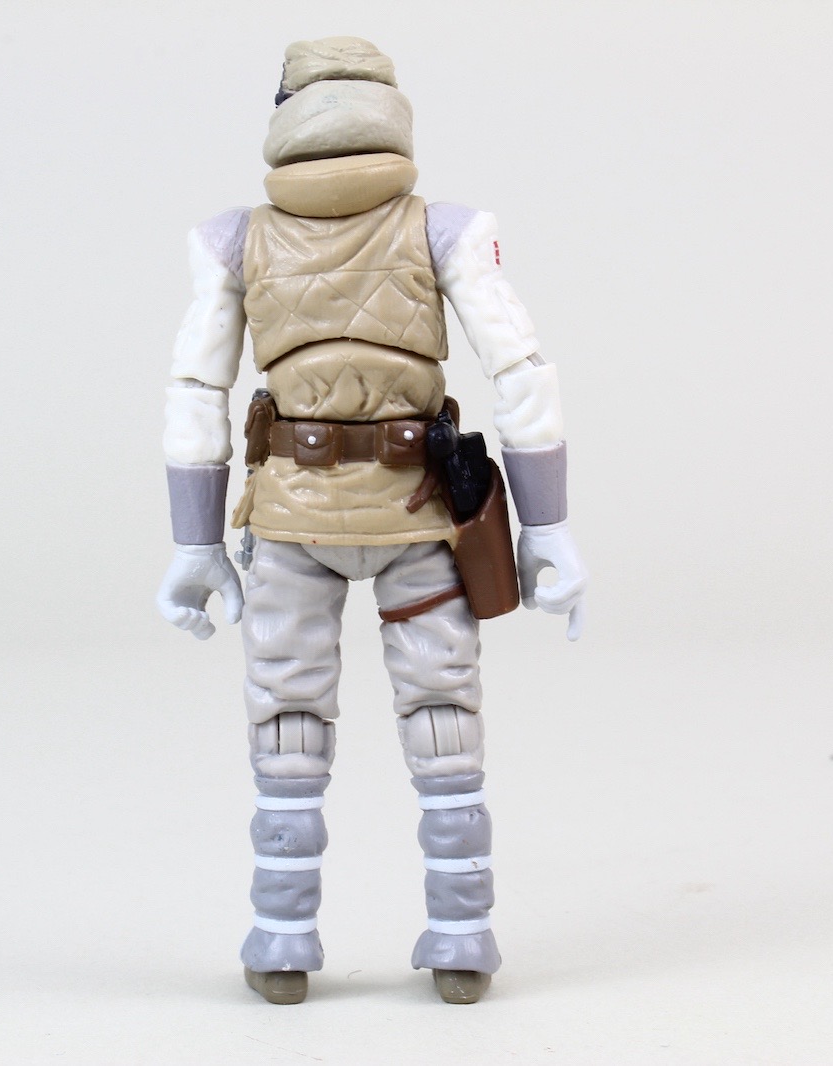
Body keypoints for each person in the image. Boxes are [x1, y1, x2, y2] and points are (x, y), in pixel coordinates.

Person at [157, 37, 586, 1005]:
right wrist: (546, 526)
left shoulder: (231, 241)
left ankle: (281, 936)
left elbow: (195, 393)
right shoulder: (448, 231)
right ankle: (463, 934)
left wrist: (193, 542)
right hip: (414, 513)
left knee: (287, 719)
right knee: (443, 718)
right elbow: (522, 377)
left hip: (293, 515)